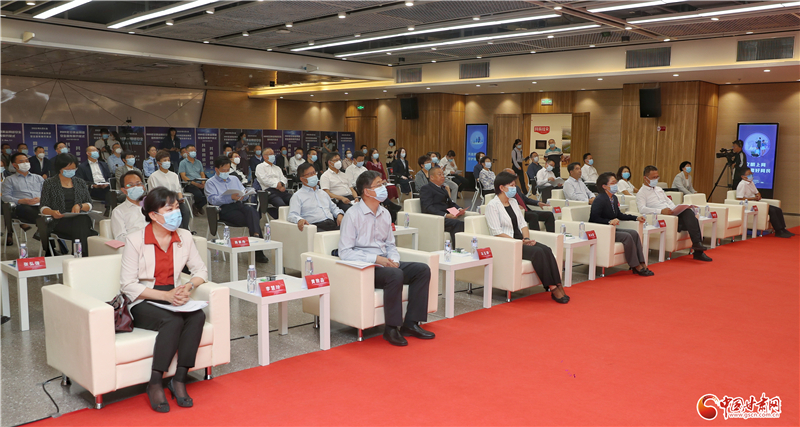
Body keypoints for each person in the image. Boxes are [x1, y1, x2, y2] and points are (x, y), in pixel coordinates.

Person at [119, 187, 207, 413]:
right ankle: (155, 382)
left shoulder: (184, 236)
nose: (176, 213)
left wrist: (188, 287)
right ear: (153, 215)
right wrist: (165, 296)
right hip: (144, 298)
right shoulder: (135, 240)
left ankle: (179, 379)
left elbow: (201, 271)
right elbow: (128, 285)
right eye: (169, 209)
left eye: (177, 207)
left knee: (197, 316)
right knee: (173, 321)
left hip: (173, 293)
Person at [340, 171, 435, 346]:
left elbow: (390, 244)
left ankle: (411, 324)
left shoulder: (384, 213)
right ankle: (391, 328)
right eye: (378, 185)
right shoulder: (352, 215)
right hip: (366, 267)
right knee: (395, 275)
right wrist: (376, 259)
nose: (383, 188)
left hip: (386, 262)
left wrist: (394, 260)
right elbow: (345, 252)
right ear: (367, 191)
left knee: (422, 270)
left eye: (382, 183)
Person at [485, 172, 569, 304]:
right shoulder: (492, 206)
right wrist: (518, 242)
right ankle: (553, 288)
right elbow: (497, 232)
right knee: (538, 252)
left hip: (521, 241)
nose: (514, 188)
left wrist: (526, 239)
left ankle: (558, 284)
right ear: (501, 187)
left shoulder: (513, 202)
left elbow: (523, 224)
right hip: (508, 243)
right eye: (512, 185)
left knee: (547, 250)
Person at [637, 165, 712, 261]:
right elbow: (642, 209)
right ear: (645, 178)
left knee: (688, 212)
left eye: (657, 177)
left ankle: (697, 246)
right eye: (653, 177)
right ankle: (698, 250)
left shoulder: (659, 189)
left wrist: (675, 208)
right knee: (691, 221)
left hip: (672, 213)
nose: (656, 179)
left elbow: (668, 201)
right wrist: (660, 211)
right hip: (662, 217)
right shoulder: (641, 193)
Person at [205, 156, 268, 262]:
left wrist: (245, 195)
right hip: (224, 209)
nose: (226, 172)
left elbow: (243, 191)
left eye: (228, 170)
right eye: (223, 170)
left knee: (251, 211)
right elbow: (213, 200)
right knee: (253, 219)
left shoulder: (234, 179)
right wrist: (230, 197)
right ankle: (258, 247)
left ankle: (256, 238)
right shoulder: (210, 183)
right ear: (216, 169)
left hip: (239, 205)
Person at [590, 172, 654, 276]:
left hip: (611, 229)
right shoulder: (599, 199)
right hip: (602, 230)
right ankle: (635, 265)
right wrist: (609, 221)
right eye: (613, 183)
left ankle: (642, 262)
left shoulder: (614, 198)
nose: (615, 185)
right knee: (627, 236)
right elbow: (594, 218)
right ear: (604, 186)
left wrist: (635, 218)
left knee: (634, 233)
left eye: (616, 182)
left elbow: (619, 214)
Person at [40, 153, 98, 256]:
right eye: (68, 168)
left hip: (79, 219)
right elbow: (43, 207)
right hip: (58, 221)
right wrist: (52, 212)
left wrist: (80, 206)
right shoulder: (50, 183)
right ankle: (80, 256)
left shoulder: (80, 182)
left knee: (82, 220)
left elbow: (89, 204)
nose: (71, 171)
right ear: (60, 168)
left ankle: (78, 255)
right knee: (86, 231)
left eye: (73, 168)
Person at [736, 167, 793, 238]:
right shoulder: (742, 184)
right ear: (743, 176)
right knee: (772, 211)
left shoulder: (751, 183)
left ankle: (783, 229)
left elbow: (757, 192)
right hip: (750, 204)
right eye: (749, 174)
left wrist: (758, 195)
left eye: (752, 174)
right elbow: (739, 198)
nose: (751, 175)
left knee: (777, 209)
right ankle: (778, 231)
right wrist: (753, 198)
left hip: (756, 202)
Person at [288, 163, 344, 232]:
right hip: (315, 226)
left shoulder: (323, 193)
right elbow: (292, 215)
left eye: (314, 173)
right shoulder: (297, 196)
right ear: (302, 179)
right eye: (310, 174)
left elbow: (334, 208)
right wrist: (299, 220)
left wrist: (339, 214)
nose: (313, 176)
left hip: (331, 224)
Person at [147, 150, 192, 231]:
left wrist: (181, 199)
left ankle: (185, 231)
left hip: (175, 201)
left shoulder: (174, 175)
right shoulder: (153, 177)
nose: (167, 162)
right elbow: (153, 194)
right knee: (172, 214)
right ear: (159, 163)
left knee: (185, 211)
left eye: (168, 160)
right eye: (164, 160)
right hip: (162, 203)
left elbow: (178, 190)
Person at [420, 166, 466, 243]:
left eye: (443, 174)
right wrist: (445, 215)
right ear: (431, 177)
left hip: (445, 217)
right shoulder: (426, 188)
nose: (442, 176)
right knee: (457, 223)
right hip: (435, 218)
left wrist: (459, 209)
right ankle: (457, 247)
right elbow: (428, 207)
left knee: (466, 221)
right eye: (439, 174)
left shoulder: (443, 189)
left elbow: (450, 203)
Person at [2, 152, 45, 234]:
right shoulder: (10, 179)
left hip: (40, 204)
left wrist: (41, 199)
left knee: (53, 210)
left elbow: (47, 193)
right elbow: (5, 197)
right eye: (21, 161)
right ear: (14, 165)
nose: (25, 163)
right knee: (37, 214)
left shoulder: (38, 178)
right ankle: (42, 229)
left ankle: (42, 232)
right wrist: (21, 201)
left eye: (26, 161)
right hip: (23, 206)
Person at [502, 168, 554, 232]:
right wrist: (515, 205)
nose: (515, 177)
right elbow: (504, 202)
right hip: (518, 212)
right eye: (512, 175)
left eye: (515, 174)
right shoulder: (503, 189)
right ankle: (536, 236)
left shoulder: (516, 187)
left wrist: (538, 203)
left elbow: (525, 199)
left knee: (549, 214)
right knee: (533, 216)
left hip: (527, 210)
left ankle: (551, 235)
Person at [111, 170, 148, 242]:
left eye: (138, 184)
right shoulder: (118, 212)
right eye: (130, 185)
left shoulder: (153, 206)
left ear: (143, 187)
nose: (135, 187)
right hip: (136, 245)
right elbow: (120, 238)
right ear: (124, 190)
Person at [255, 148, 292, 218]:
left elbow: (283, 178)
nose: (273, 156)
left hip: (281, 190)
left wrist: (281, 184)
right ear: (264, 157)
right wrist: (276, 185)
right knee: (281, 205)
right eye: (270, 154)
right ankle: (282, 220)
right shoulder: (260, 167)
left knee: (294, 200)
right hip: (269, 192)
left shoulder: (277, 168)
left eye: (273, 154)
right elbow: (264, 180)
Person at [178, 145, 207, 216]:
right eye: (191, 151)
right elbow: (183, 176)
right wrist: (195, 184)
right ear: (187, 152)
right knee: (198, 194)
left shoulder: (198, 162)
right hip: (189, 184)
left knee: (208, 194)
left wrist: (203, 182)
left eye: (194, 151)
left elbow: (202, 174)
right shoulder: (183, 163)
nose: (193, 152)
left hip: (200, 182)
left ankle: (197, 206)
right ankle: (197, 206)